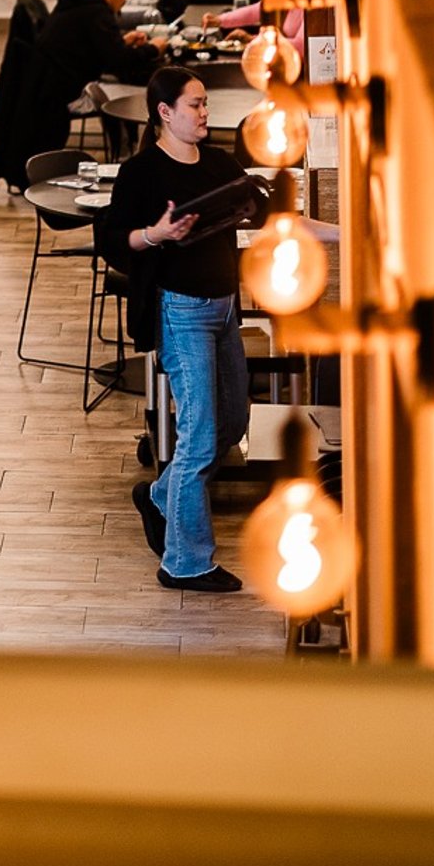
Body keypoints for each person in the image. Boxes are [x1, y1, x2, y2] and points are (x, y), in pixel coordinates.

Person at [101, 68, 270, 595]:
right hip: (181, 311)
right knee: (197, 436)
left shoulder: (218, 162)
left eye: (204, 104)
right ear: (165, 113)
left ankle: (161, 496)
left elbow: (258, 212)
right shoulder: (142, 173)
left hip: (224, 309)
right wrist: (156, 234)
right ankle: (185, 562)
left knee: (233, 419)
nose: (204, 113)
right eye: (194, 105)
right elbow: (112, 239)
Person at [0, 0, 158, 190]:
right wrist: (154, 48)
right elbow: (120, 62)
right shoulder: (97, 13)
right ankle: (125, 160)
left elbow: (99, 49)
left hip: (41, 87)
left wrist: (122, 41)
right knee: (116, 95)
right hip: (54, 97)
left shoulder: (77, 3)